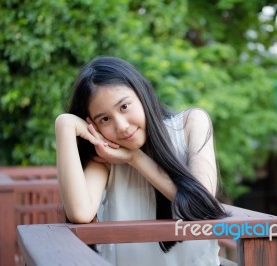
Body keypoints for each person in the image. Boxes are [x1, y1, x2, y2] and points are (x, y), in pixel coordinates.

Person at [55, 56, 228, 266]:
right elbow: (80, 213)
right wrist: (64, 125)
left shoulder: (191, 124)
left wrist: (134, 158)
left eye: (124, 106)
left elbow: (202, 205)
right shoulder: (106, 156)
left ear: (142, 94)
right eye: (105, 119)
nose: (122, 126)